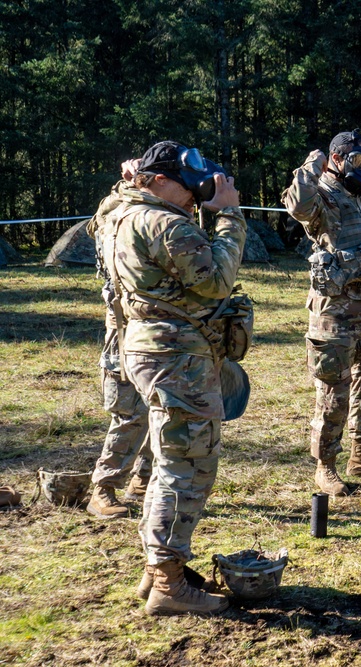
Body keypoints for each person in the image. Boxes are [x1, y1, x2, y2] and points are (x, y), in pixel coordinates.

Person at [109, 140, 245, 615]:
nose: (195, 195)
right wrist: (229, 216)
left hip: (151, 349)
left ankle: (155, 573)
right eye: (187, 186)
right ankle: (169, 582)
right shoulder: (163, 222)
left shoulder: (120, 212)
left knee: (172, 460)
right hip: (176, 355)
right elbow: (214, 281)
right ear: (160, 181)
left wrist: (129, 179)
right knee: (186, 465)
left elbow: (111, 204)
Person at [283, 130, 361, 497]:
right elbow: (297, 207)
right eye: (356, 161)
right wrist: (310, 167)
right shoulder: (321, 194)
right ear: (335, 160)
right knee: (334, 392)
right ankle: (326, 466)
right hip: (335, 311)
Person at [84, 158, 152, 520]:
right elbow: (100, 222)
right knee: (130, 414)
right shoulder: (120, 210)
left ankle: (142, 478)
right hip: (125, 330)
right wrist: (128, 184)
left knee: (162, 409)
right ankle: (103, 487)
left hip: (156, 331)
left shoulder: (159, 212)